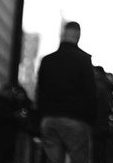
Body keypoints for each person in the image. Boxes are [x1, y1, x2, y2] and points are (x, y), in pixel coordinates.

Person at [36, 21, 97, 163]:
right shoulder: (84, 60)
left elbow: (40, 92)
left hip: (50, 118)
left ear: (63, 34)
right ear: (78, 36)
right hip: (76, 120)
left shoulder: (47, 60)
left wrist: (41, 116)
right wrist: (91, 122)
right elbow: (90, 94)